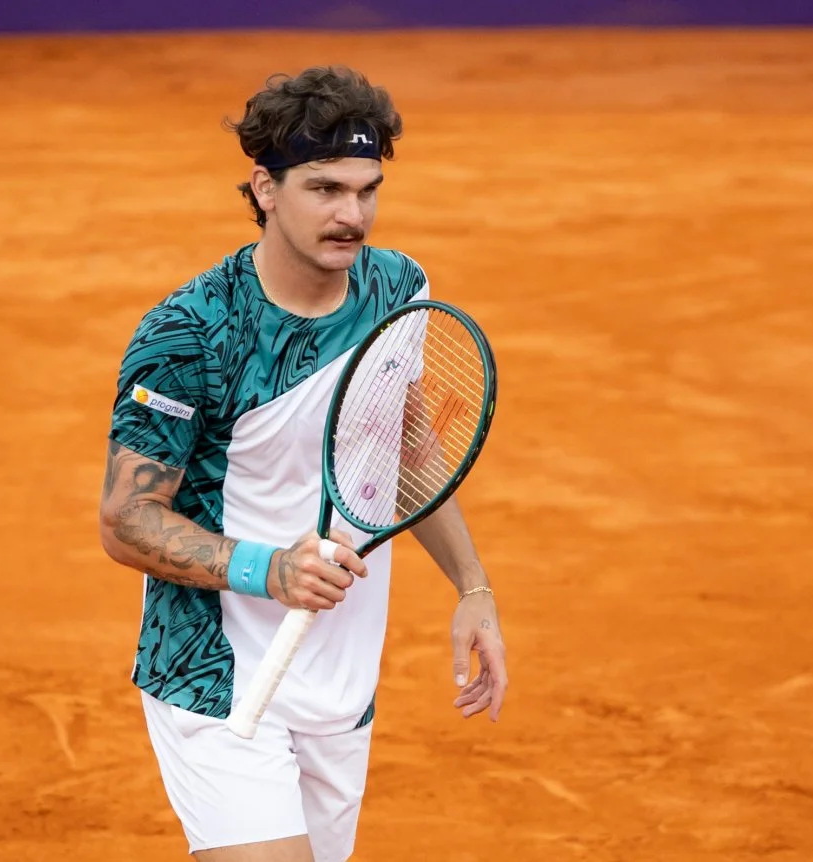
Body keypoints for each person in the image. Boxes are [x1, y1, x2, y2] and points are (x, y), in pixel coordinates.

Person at [98, 65, 508, 862]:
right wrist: (268, 571)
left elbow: (403, 450)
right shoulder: (191, 334)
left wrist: (474, 587)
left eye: (366, 190)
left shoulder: (399, 291)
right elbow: (126, 523)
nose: (351, 215)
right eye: (324, 188)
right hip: (217, 678)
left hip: (338, 681)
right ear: (264, 187)